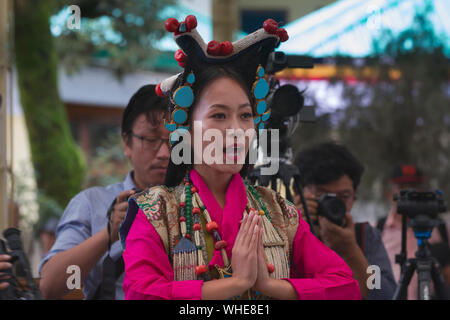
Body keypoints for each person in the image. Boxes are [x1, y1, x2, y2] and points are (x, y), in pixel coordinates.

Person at [119, 16, 361, 300]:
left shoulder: (279, 211)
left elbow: (345, 286)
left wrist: (270, 286)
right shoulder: (157, 211)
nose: (236, 131)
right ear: (187, 128)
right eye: (219, 115)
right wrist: (237, 283)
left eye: (245, 116)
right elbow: (141, 294)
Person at [38, 85, 170, 299]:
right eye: (151, 139)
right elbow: (50, 287)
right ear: (127, 142)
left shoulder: (197, 202)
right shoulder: (91, 204)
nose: (164, 153)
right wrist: (109, 233)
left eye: (173, 141)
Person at [293, 141, 396, 300]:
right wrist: (296, 228)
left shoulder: (364, 236)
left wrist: (350, 252)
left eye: (344, 197)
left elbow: (386, 295)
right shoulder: (283, 234)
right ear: (298, 194)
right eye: (322, 195)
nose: (333, 204)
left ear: (354, 198)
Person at [378, 164, 450, 299]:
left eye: (415, 187)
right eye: (402, 188)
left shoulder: (443, 229)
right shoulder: (377, 230)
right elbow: (370, 278)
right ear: (389, 194)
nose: (411, 194)